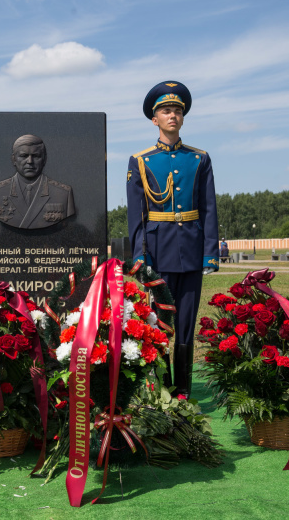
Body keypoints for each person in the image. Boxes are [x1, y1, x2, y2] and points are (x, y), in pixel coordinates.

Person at [126, 81, 219, 397]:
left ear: (183, 117)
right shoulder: (141, 160)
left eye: (177, 110)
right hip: (158, 252)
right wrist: (141, 258)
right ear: (155, 119)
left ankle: (183, 392)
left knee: (186, 328)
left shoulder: (199, 159)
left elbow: (208, 210)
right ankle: (161, 391)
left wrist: (210, 254)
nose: (172, 116)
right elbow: (136, 216)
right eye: (166, 111)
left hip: (191, 252)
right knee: (160, 325)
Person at [0, 134, 75, 229]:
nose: (30, 161)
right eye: (24, 156)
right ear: (14, 159)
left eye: (36, 156)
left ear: (44, 159)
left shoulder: (63, 194)